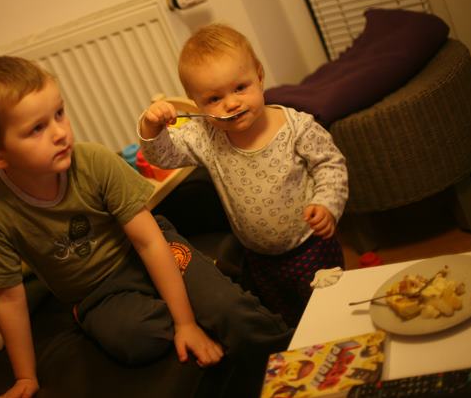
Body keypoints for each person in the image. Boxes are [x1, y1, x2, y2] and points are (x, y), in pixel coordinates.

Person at [0, 55, 292, 398]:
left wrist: (186, 323)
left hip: (148, 248)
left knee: (226, 308)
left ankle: (291, 357)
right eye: (36, 129)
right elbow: (8, 299)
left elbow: (149, 242)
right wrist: (25, 377)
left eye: (59, 114)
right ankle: (201, 288)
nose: (59, 133)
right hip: (96, 293)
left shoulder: (94, 161)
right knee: (136, 339)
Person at [138, 23, 348, 327]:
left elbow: (330, 165)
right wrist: (151, 126)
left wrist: (327, 203)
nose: (231, 103)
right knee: (287, 322)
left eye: (240, 88)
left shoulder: (297, 128)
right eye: (214, 99)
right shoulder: (206, 136)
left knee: (331, 314)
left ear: (259, 77)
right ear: (196, 102)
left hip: (311, 245)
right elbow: (163, 156)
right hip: (259, 258)